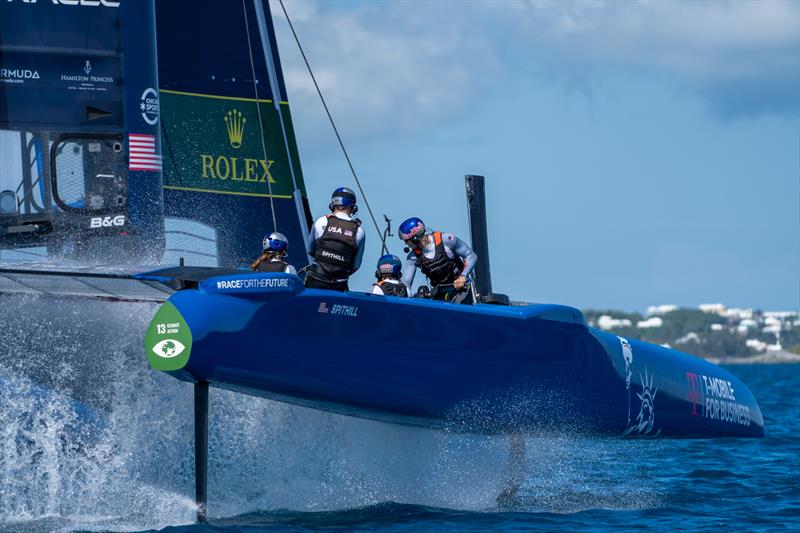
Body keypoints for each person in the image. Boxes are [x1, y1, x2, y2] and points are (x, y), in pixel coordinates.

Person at [398, 217, 477, 304]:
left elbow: (471, 256)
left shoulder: (447, 240)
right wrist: (402, 294)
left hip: (461, 288)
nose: (405, 244)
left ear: (415, 238)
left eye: (406, 241)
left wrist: (463, 276)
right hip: (438, 291)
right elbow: (406, 285)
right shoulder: (412, 258)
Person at [305, 187, 366, 291]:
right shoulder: (359, 230)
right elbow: (356, 265)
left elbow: (310, 250)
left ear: (333, 205)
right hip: (339, 284)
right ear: (353, 207)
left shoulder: (321, 221)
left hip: (316, 280)